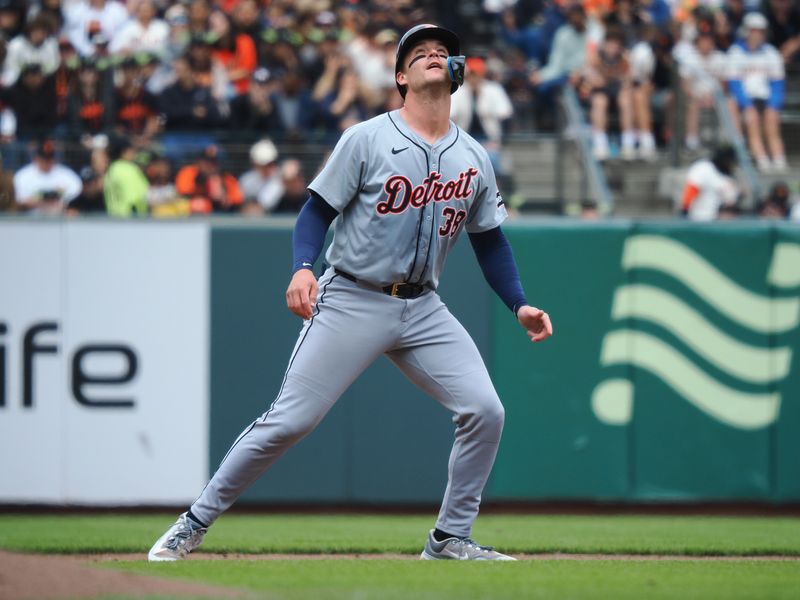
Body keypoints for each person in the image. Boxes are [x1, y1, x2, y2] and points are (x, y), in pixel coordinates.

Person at [148, 23, 553, 564]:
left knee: (485, 410)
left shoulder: (474, 156)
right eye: (420, 53)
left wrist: (518, 302)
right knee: (291, 420)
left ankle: (449, 538)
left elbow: (491, 242)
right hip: (352, 297)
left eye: (443, 52)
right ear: (401, 76)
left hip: (423, 307)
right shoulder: (366, 137)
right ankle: (193, 522)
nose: (434, 56)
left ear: (456, 73)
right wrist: (301, 268)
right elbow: (316, 211)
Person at [726, 12, 788, 173]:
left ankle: (778, 158)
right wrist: (747, 105)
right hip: (745, 100)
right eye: (754, 30)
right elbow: (734, 83)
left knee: (772, 120)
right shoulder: (735, 52)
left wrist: (773, 106)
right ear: (746, 31)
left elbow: (777, 83)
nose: (757, 34)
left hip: (766, 99)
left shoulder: (771, 53)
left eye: (760, 31)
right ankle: (761, 159)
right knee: (751, 120)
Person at [13, 139, 82, 213]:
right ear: (37, 158)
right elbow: (19, 201)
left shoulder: (67, 175)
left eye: (50, 159)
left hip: (60, 219)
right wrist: (41, 202)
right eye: (44, 159)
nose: (47, 162)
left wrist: (59, 201)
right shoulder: (23, 175)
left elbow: (76, 194)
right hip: (30, 219)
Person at [680, 145, 739, 220]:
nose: (730, 164)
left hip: (718, 222)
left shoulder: (728, 178)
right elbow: (692, 189)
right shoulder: (704, 168)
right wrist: (685, 210)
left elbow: (730, 204)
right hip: (698, 219)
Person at [104, 136, 149, 216]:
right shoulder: (128, 169)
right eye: (132, 149)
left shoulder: (111, 169)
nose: (134, 152)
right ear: (124, 151)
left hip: (113, 219)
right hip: (130, 220)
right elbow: (135, 199)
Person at [238, 138, 282, 212]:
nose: (268, 168)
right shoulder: (246, 180)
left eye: (270, 164)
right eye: (264, 164)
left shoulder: (281, 180)